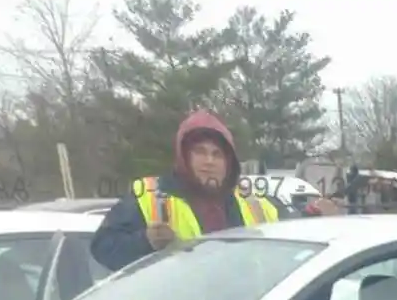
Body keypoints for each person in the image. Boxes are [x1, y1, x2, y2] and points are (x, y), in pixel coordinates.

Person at [91, 110, 286, 271]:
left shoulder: (253, 203)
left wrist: (314, 212)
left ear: (229, 163)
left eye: (217, 154)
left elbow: (294, 238)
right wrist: (146, 241)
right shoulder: (150, 196)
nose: (209, 161)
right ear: (184, 158)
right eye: (200, 152)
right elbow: (103, 247)